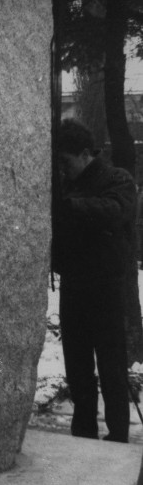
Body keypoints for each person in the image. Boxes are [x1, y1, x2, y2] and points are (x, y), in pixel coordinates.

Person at [53, 118, 136, 443]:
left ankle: (118, 439)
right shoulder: (66, 185)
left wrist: (70, 207)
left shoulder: (118, 179)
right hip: (74, 287)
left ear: (86, 153)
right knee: (77, 370)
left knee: (112, 369)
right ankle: (83, 435)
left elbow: (116, 210)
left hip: (106, 289)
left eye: (65, 162)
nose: (62, 169)